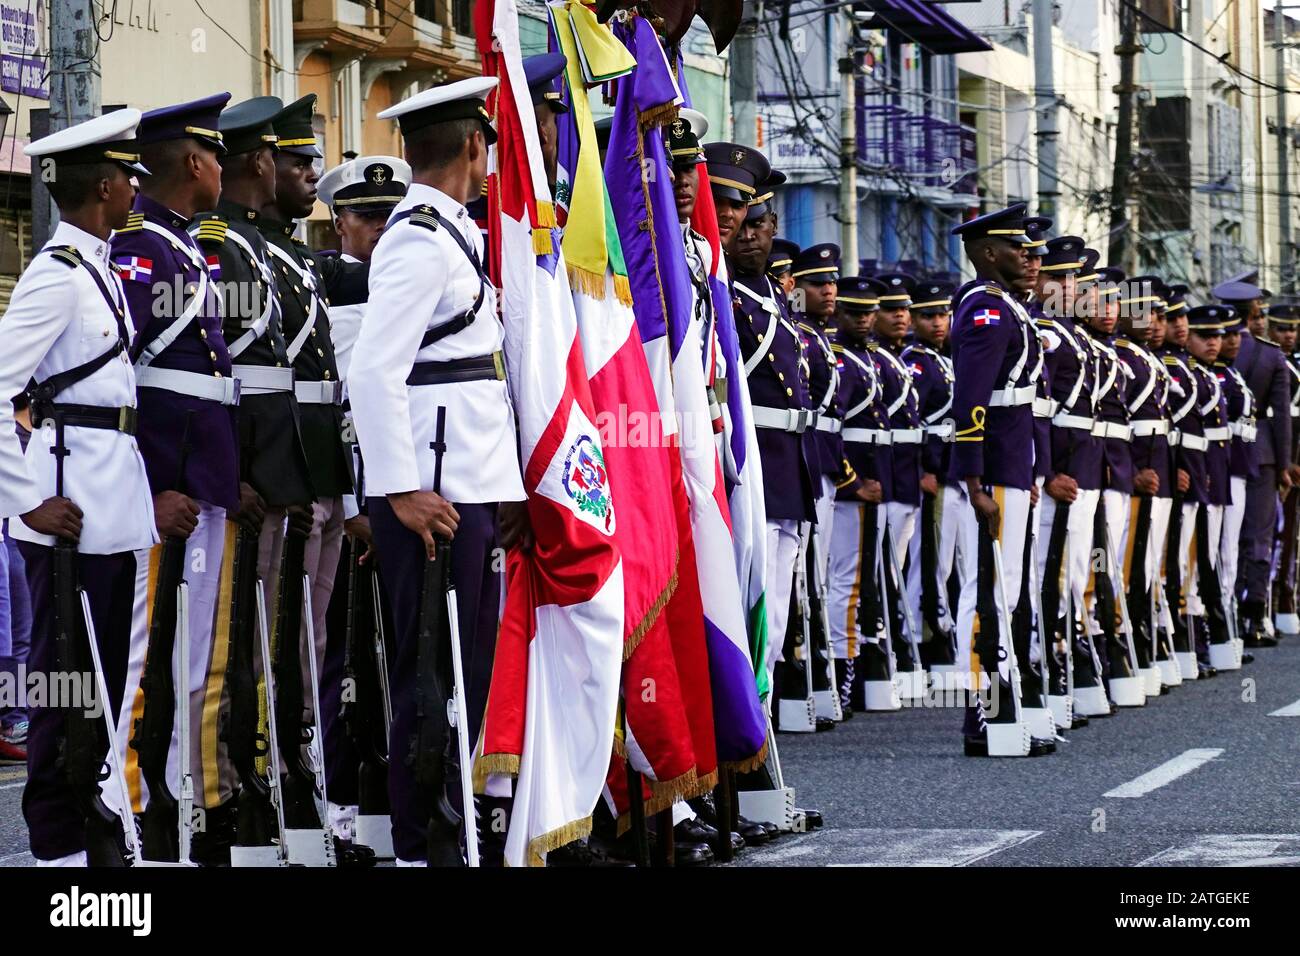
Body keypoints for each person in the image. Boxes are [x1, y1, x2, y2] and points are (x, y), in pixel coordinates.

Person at [349, 76, 526, 866]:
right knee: (429, 675)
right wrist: (399, 489)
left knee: (467, 669)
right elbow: (374, 370)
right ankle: (425, 845)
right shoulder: (418, 240)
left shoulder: (453, 233)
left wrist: (508, 487)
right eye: (489, 147)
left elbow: (479, 369)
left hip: (470, 482)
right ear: (472, 147)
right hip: (431, 490)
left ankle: (454, 828)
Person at [0, 109, 158, 865]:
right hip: (67, 512)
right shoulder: (56, 276)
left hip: (109, 507)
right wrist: (24, 499)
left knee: (105, 690)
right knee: (65, 693)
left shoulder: (96, 266)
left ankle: (101, 836)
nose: (136, 189)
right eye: (130, 176)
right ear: (104, 184)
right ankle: (61, 854)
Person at [107, 94, 241, 863]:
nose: (222, 168)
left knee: (199, 661)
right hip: (168, 489)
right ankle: (149, 818)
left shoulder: (180, 245)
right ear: (193, 163)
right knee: (155, 665)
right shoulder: (141, 249)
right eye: (216, 155)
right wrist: (151, 486)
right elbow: (121, 377)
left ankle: (187, 811)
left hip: (203, 478)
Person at [191, 94, 316, 863]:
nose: (290, 168)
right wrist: (237, 470)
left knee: (272, 643)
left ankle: (262, 779)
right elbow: (221, 374)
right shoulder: (220, 245)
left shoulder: (263, 251)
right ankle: (226, 795)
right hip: (247, 479)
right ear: (256, 161)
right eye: (282, 154)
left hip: (286, 472)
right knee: (231, 649)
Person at [315, 152, 411, 861]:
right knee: (343, 656)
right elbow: (337, 410)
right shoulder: (330, 286)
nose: (378, 230)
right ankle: (343, 799)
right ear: (340, 223)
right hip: (355, 497)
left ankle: (397, 795)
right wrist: (355, 500)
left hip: (417, 494)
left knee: (410, 651)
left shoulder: (424, 274)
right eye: (364, 217)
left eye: (388, 216)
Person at [946, 202, 1053, 758]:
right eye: (1020, 248)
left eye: (1034, 250)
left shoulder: (1009, 307)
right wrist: (975, 481)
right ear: (988, 254)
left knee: (1005, 587)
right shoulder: (985, 310)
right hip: (991, 468)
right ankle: (981, 712)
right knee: (985, 589)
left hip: (1013, 464)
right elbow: (971, 400)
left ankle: (1002, 700)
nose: (1032, 258)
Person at [1034, 238, 1105, 724]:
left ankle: (1061, 666)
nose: (1070, 287)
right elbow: (1034, 410)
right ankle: (1044, 671)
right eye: (1060, 278)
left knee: (1072, 574)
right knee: (1046, 575)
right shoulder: (1045, 333)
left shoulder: (1074, 335)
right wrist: (1046, 470)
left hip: (1080, 469)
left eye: (1074, 279)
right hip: (1054, 471)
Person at [826, 276, 892, 711]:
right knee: (844, 581)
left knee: (863, 578)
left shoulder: (870, 359)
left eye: (869, 311)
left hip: (876, 480)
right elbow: (831, 428)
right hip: (852, 486)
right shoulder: (839, 360)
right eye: (854, 312)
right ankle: (841, 667)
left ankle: (859, 659)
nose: (864, 318)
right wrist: (851, 481)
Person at [1213, 274, 1290, 645]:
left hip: (1215, 449)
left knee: (1217, 535)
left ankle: (1219, 612)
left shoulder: (1206, 351)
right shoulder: (1270, 353)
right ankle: (1255, 615)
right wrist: (1285, 465)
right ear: (1253, 311)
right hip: (1262, 453)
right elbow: (1281, 416)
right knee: (1257, 537)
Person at [1113, 276, 1175, 695]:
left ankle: (1141, 638)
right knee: (1120, 563)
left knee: (1146, 563)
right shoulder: (1121, 357)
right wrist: (1133, 471)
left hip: (1156, 468)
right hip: (1126, 470)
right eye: (1140, 311)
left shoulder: (1146, 357)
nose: (1150, 321)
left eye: (1154, 313)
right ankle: (1118, 639)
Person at [868, 271, 927, 700]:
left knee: (899, 569)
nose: (900, 317)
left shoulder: (896, 360)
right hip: (880, 478)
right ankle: (872, 650)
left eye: (904, 309)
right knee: (870, 573)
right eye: (890, 310)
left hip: (905, 478)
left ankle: (895, 642)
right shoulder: (870, 360)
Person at [901, 279, 959, 674]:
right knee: (926, 559)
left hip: (951, 469)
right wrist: (921, 468)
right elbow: (909, 419)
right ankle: (920, 636)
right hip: (931, 470)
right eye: (927, 316)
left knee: (944, 559)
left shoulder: (945, 358)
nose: (938, 323)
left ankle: (937, 627)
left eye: (942, 314)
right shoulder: (915, 361)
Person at [1215, 310, 1257, 669]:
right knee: (1223, 551)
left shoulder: (1230, 373)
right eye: (1221, 334)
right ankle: (1221, 627)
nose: (1229, 341)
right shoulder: (1216, 375)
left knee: (1231, 548)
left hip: (1238, 466)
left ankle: (1229, 625)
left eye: (1233, 335)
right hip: (1221, 469)